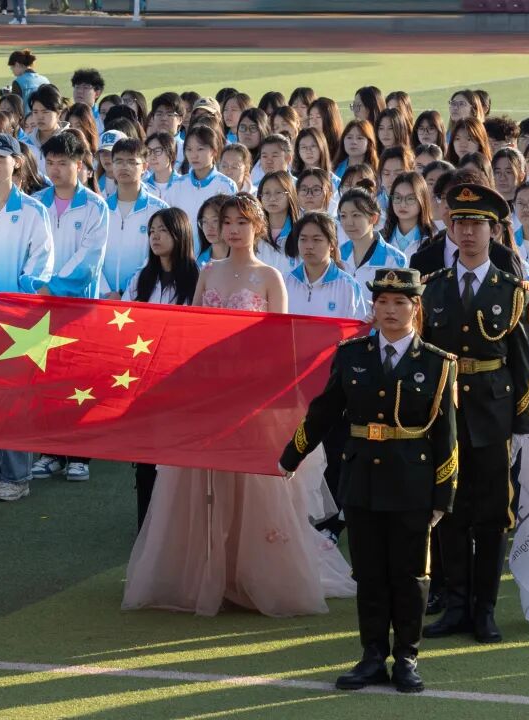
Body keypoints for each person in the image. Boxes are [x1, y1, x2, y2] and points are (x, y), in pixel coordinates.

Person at [123, 193, 356, 617]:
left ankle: (252, 575)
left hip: (253, 397)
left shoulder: (270, 276)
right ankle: (207, 574)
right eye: (227, 221)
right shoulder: (208, 273)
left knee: (256, 489)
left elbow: (280, 345)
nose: (232, 229)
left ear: (257, 227)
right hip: (210, 395)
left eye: (242, 222)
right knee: (202, 486)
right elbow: (193, 334)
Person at [279, 266, 457, 693]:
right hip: (362, 480)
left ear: (416, 308)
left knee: (410, 575)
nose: (390, 310)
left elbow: (447, 436)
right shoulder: (351, 355)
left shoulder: (438, 363)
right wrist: (292, 455)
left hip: (412, 483)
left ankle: (407, 658)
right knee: (370, 573)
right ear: (373, 307)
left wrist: (443, 496)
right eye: (382, 302)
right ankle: (373, 656)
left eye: (400, 302)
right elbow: (323, 411)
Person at [420, 183, 529, 644]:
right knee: (449, 510)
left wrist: (520, 425)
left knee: (492, 515)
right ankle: (455, 606)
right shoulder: (432, 288)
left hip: (492, 415)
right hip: (445, 415)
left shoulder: (512, 291)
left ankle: (484, 609)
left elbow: (521, 362)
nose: (467, 232)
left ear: (494, 231)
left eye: (477, 224)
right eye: (460, 223)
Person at [0, 134, 54, 501]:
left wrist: (19, 297)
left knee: (15, 397)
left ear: (17, 162)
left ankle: (17, 476)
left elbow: (42, 260)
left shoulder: (34, 211)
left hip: (19, 316)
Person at [28, 131, 108, 483]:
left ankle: (79, 454)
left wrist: (52, 286)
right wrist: (37, 285)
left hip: (78, 307)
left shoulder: (95, 206)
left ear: (80, 164)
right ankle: (49, 452)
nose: (55, 170)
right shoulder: (35, 203)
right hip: (41, 304)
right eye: (50, 163)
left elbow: (89, 259)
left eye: (62, 163)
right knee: (45, 377)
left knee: (79, 380)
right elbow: (28, 250)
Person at [122, 207, 200, 528]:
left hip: (184, 384)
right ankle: (147, 526)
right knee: (146, 459)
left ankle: (180, 527)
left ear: (180, 235)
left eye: (163, 230)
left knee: (179, 460)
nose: (155, 237)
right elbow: (123, 324)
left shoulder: (198, 278)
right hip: (146, 382)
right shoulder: (141, 278)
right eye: (151, 231)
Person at [99, 137, 169, 300]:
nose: (124, 167)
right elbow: (93, 254)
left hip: (144, 296)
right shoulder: (100, 209)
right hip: (104, 298)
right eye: (118, 161)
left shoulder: (159, 210)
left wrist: (128, 293)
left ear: (144, 167)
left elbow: (160, 256)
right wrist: (106, 291)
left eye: (131, 162)